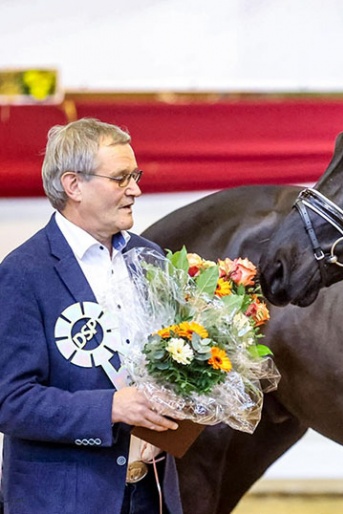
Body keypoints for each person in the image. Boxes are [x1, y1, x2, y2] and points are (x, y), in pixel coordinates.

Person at [0, 118, 183, 514]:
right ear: (73, 185)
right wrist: (111, 408)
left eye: (134, 175)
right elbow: (10, 401)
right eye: (120, 178)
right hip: (65, 499)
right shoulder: (24, 273)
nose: (135, 189)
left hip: (151, 494)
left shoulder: (151, 260)